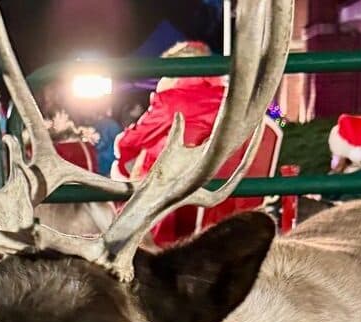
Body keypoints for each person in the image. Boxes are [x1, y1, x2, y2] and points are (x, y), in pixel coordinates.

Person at [111, 40, 277, 247]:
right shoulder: (233, 101)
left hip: (175, 200)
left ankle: (129, 243)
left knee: (135, 167)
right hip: (231, 195)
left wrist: (122, 148)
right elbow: (271, 121)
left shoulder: (171, 99)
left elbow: (131, 140)